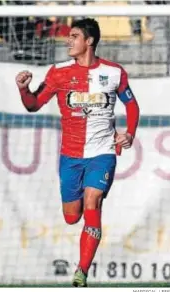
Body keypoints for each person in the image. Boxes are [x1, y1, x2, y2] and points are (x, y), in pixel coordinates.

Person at [15, 18, 140, 287]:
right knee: (72, 217)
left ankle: (81, 272)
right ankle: (83, 226)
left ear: (89, 41)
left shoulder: (114, 72)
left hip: (103, 152)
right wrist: (24, 89)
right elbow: (34, 105)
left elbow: (132, 105)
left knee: (93, 201)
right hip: (71, 156)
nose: (68, 41)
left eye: (74, 36)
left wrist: (129, 133)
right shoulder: (58, 73)